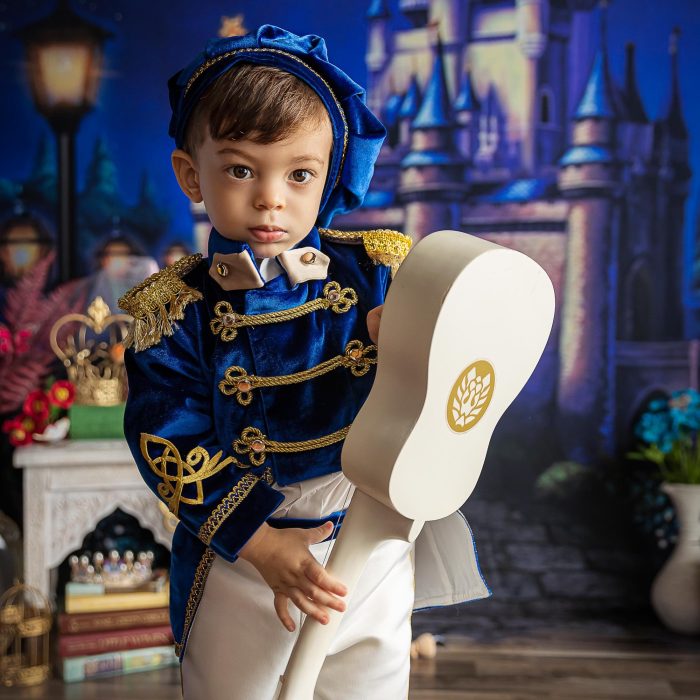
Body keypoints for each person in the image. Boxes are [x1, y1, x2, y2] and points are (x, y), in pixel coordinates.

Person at [119, 25, 488, 700]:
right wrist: (259, 542)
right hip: (242, 556)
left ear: (331, 172)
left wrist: (416, 351)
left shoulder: (378, 272)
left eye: (299, 174)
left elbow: (448, 387)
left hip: (368, 541)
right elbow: (165, 437)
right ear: (190, 174)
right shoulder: (173, 312)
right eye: (240, 169)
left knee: (369, 687)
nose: (271, 197)